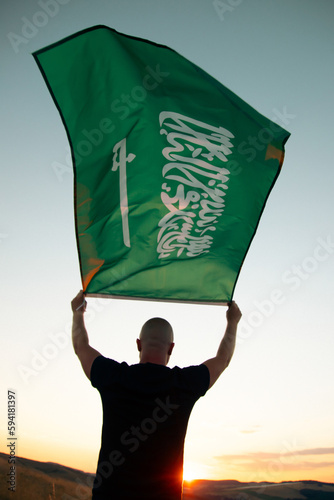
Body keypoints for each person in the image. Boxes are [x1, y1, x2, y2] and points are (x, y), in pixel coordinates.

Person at [71, 290, 242, 500]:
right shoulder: (184, 384)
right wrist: (232, 321)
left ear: (138, 344)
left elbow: (81, 346)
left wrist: (78, 313)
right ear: (171, 348)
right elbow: (223, 358)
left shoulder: (113, 377)